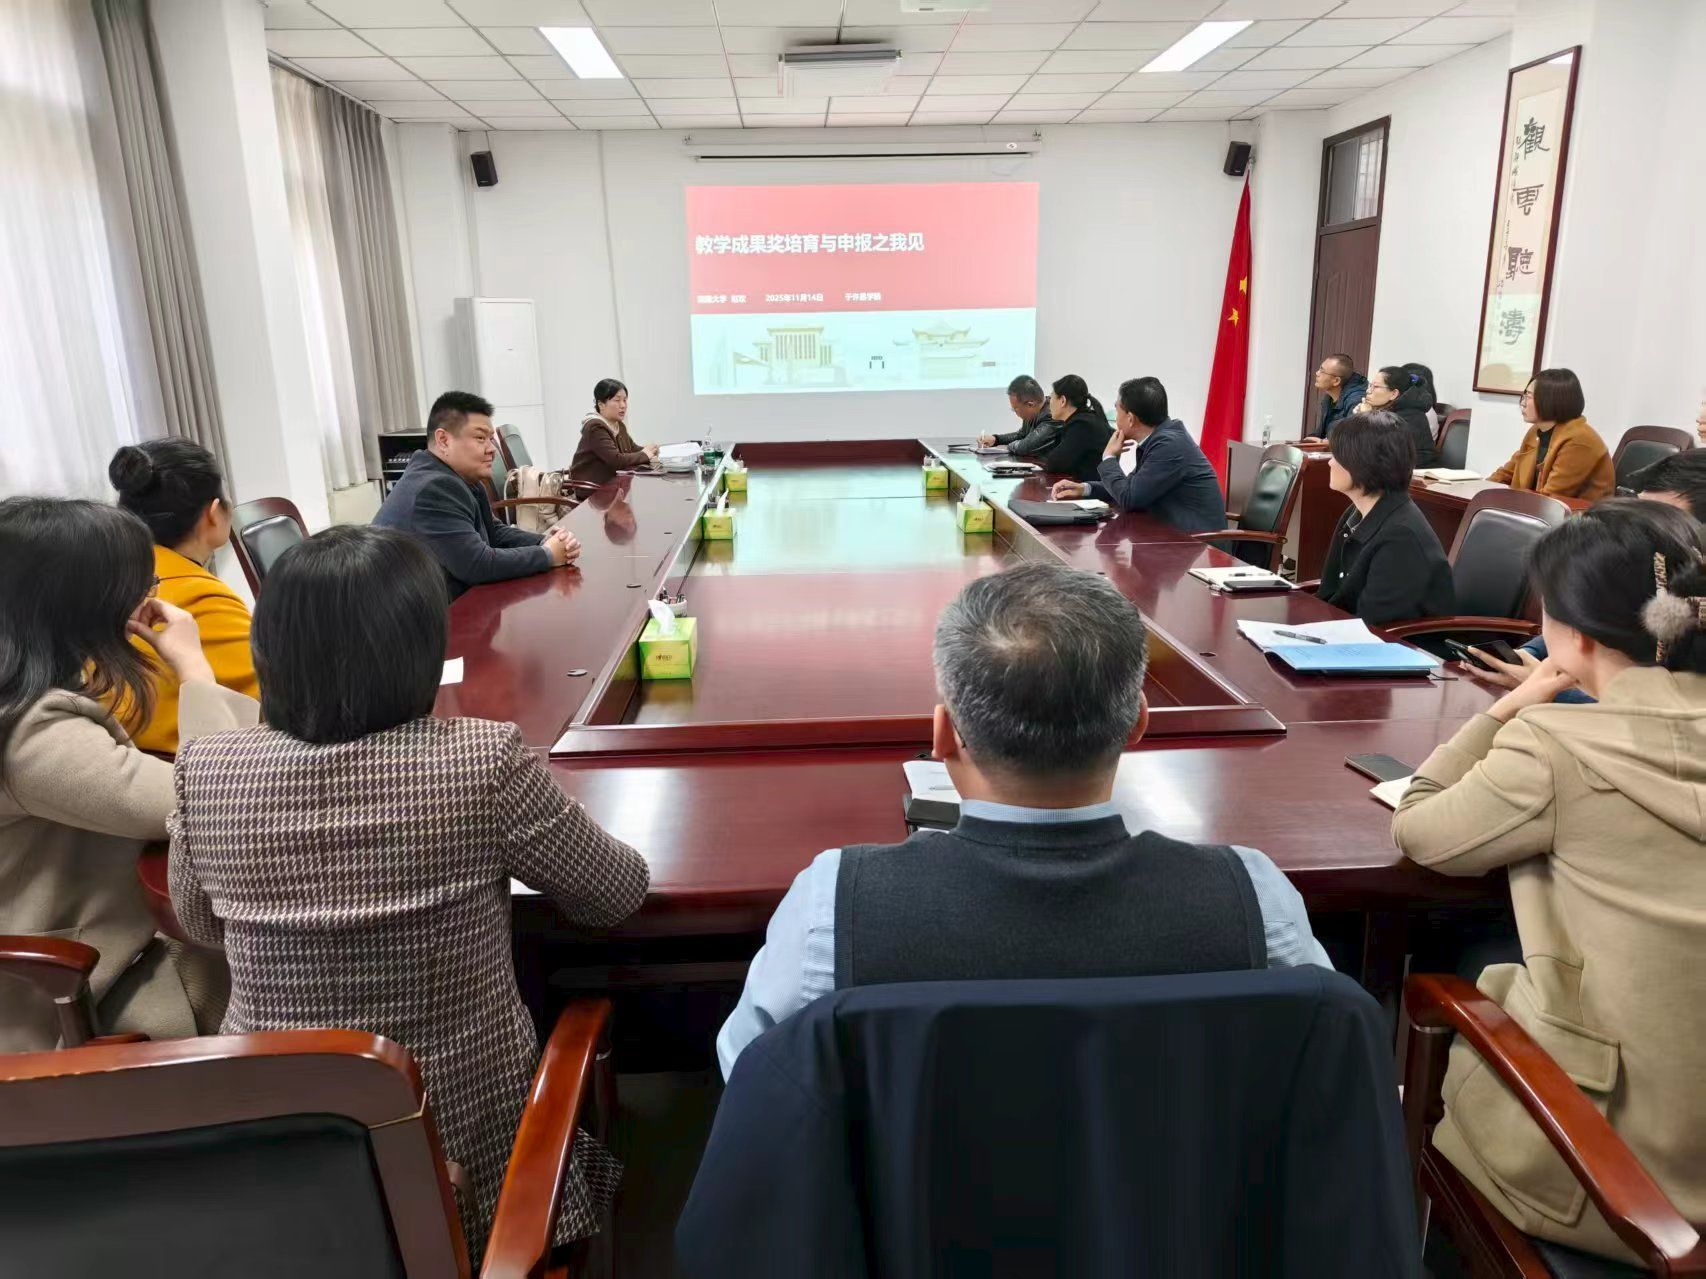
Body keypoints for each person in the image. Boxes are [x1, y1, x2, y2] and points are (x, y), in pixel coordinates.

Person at [167, 525, 649, 1261]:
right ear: (422, 649)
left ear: (270, 651)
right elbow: (613, 895)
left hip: (276, 1159)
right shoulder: (480, 759)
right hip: (464, 1163)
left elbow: (200, 924)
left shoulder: (206, 769)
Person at [716, 560, 1330, 1079]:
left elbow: (752, 1078)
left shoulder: (833, 909)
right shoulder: (1255, 899)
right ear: (1138, 724)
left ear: (942, 735)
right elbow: (1325, 1068)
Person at [1391, 499, 1706, 1266]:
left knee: (1446, 977)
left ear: (1576, 635)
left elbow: (1419, 825)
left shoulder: (1554, 746)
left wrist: (1512, 704)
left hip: (1609, 1172)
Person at [0, 498, 257, 1052]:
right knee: (286, 975)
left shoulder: (22, 696)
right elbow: (216, 797)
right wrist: (192, 666)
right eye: (141, 583)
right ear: (84, 604)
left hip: (94, 945)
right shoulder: (34, 734)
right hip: (79, 988)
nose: (150, 594)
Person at [1464, 456, 1706, 700]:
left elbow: (1662, 712)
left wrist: (1550, 689)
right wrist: (1527, 656)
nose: (1638, 526)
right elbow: (1585, 619)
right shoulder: (1648, 563)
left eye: (1661, 519)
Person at [108, 440, 258, 755]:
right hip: (199, 768)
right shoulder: (206, 598)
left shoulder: (107, 586)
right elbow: (279, 701)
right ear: (213, 514)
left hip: (127, 760)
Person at [375, 390, 580, 599]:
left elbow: (493, 532)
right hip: (413, 613)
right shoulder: (433, 488)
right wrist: (547, 555)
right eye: (480, 438)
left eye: (491, 439)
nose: (492, 449)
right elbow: (477, 564)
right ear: (443, 440)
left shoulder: (460, 478)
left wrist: (546, 541)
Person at [1316, 412, 1456, 624]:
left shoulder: (1401, 537)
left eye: (1337, 455)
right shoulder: (1355, 513)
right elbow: (1330, 591)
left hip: (1390, 640)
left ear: (1362, 462)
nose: (1330, 463)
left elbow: (1376, 625)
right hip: (1346, 630)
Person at [1048, 376, 1227, 533]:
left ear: (1131, 419)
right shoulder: (1159, 439)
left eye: (1117, 410)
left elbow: (1129, 498)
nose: (1115, 417)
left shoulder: (1169, 445)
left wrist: (1109, 457)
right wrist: (1085, 488)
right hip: (1170, 537)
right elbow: (1131, 488)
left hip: (1197, 545)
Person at [1488, 367, 1614, 500]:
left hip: (1575, 512)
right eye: (1524, 395)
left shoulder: (1579, 440)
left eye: (1528, 396)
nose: (1522, 403)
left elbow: (1551, 498)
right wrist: (1481, 489)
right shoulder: (1537, 431)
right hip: (1536, 507)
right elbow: (1508, 472)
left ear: (1550, 400)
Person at [570, 378, 657, 486]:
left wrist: (651, 450)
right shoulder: (595, 427)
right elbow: (616, 460)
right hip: (593, 489)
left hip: (613, 484)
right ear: (601, 404)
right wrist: (645, 454)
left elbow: (632, 449)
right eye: (617, 400)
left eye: (625, 400)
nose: (623, 405)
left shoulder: (618, 424)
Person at [1035, 374, 1113, 482]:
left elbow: (1055, 463)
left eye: (1051, 397)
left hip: (1092, 488)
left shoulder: (1082, 425)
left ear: (1062, 401)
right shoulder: (1084, 419)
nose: (1049, 403)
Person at [1358, 366, 1438, 468]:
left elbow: (1379, 448)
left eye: (1376, 387)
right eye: (1370, 386)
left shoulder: (1410, 415)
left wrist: (1366, 417)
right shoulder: (1387, 408)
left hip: (1415, 471)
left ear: (1394, 394)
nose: (1368, 391)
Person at [976, 375, 1055, 457]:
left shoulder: (1052, 415)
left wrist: (1007, 447)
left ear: (1030, 405)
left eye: (1015, 409)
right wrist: (995, 439)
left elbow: (1025, 447)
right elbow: (1021, 435)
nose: (1016, 414)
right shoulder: (1033, 413)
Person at [1308, 354, 1366, 440]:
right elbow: (1320, 433)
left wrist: (1322, 442)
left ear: (1336, 381)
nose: (1317, 373)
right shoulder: (1328, 398)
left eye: (1322, 371)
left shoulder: (1356, 400)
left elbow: (1351, 438)